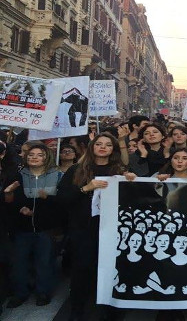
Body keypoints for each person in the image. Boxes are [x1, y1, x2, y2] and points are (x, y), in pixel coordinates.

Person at [57, 133, 136, 320]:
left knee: (111, 269)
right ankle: (77, 309)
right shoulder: (77, 170)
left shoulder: (121, 171)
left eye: (108, 144)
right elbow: (62, 200)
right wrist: (86, 188)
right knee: (82, 269)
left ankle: (112, 310)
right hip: (83, 228)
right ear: (92, 147)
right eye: (98, 143)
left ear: (113, 149)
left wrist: (132, 182)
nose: (103, 147)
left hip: (112, 229)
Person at [4, 142, 63, 308]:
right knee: (19, 263)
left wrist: (40, 208)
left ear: (47, 157)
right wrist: (10, 197)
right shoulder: (17, 175)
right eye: (31, 155)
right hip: (21, 228)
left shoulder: (57, 176)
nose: (34, 158)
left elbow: (61, 203)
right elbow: (9, 201)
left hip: (46, 228)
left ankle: (43, 292)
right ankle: (20, 293)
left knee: (44, 263)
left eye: (39, 155)